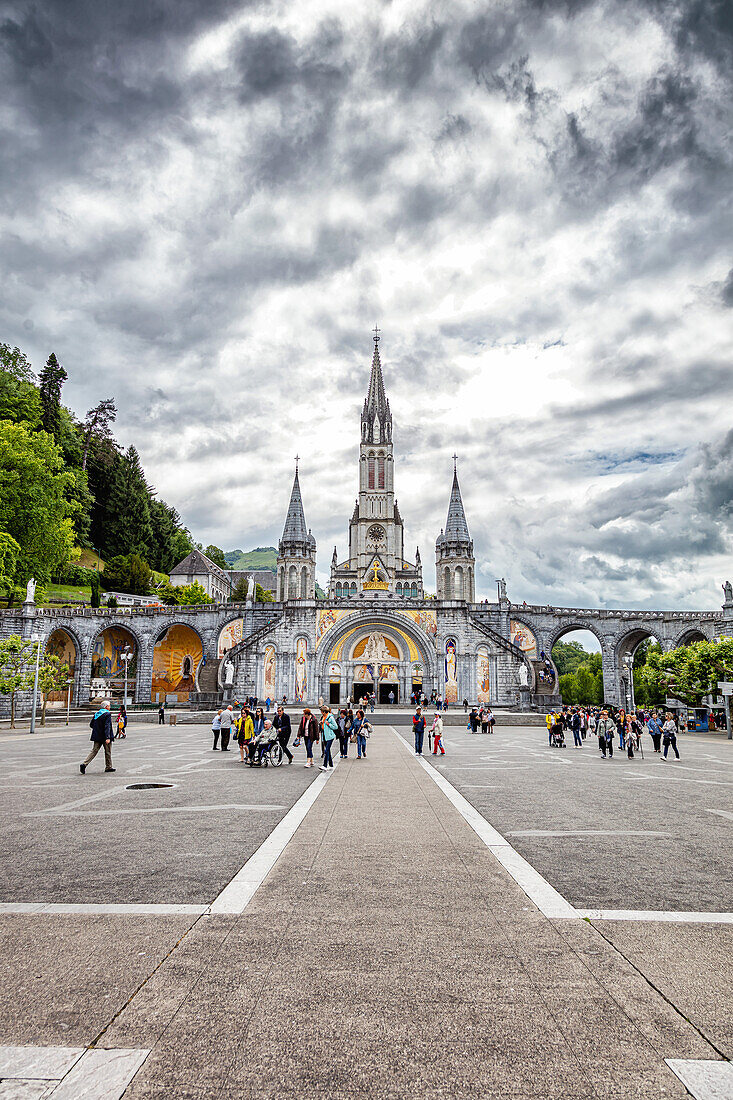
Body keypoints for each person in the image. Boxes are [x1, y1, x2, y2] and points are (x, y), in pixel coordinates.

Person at [80, 701, 115, 773]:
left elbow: (91, 725)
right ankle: (108, 767)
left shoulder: (97, 714)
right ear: (106, 707)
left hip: (97, 736)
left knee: (94, 751)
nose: (110, 707)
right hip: (105, 736)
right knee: (108, 752)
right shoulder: (107, 714)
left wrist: (97, 730)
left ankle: (84, 764)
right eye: (109, 706)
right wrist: (108, 737)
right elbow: (107, 726)